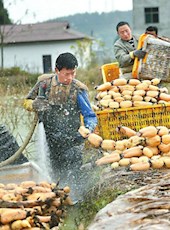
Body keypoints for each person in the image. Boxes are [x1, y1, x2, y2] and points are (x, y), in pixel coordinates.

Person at [23, 52, 98, 201]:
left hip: (72, 139)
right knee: (54, 171)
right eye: (66, 74)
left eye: (73, 73)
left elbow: (90, 115)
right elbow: (26, 101)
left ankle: (77, 200)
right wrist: (34, 105)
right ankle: (58, 202)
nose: (70, 78)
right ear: (57, 71)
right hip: (50, 138)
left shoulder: (78, 89)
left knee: (73, 170)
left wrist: (88, 130)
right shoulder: (44, 84)